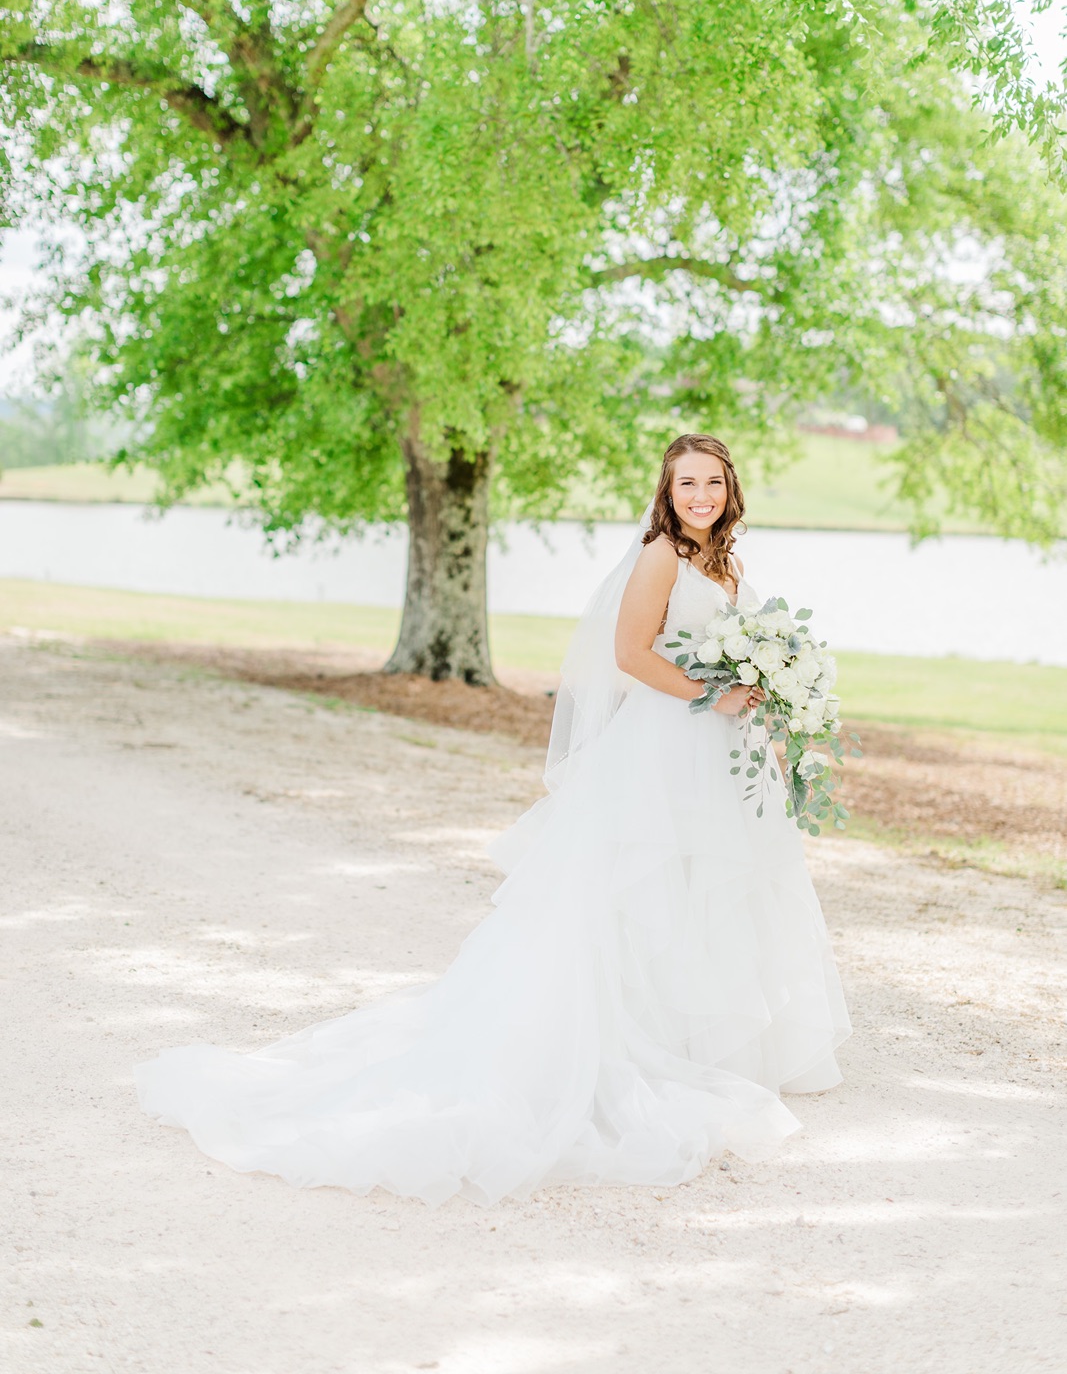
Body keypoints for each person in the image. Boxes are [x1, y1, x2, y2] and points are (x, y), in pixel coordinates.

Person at [136, 434, 850, 1206]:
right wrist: (715, 696)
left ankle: (705, 1044)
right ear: (667, 491)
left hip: (719, 749)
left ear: (730, 489)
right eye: (686, 484)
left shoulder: (728, 565)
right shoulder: (658, 557)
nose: (701, 496)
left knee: (705, 887)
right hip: (665, 746)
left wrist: (764, 704)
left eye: (712, 483)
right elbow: (628, 655)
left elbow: (731, 655)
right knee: (639, 891)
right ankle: (633, 1045)